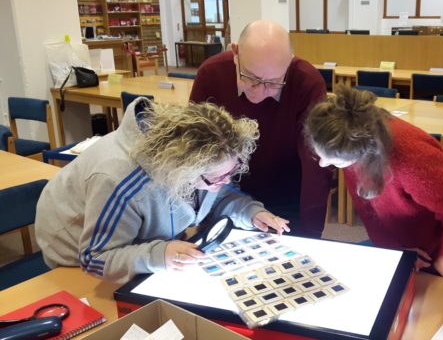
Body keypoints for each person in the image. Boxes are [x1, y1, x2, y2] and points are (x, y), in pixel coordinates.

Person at [35, 98, 289, 284]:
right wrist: (158, 254)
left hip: (131, 237)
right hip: (73, 250)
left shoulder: (202, 157)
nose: (227, 182)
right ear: (182, 172)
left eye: (232, 171)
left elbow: (214, 196)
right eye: (217, 178)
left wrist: (250, 211)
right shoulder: (118, 180)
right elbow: (95, 257)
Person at [304, 85, 443, 285]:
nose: (323, 164)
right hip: (406, 250)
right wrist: (394, 248)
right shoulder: (349, 137)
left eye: (335, 161)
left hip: (441, 252)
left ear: (365, 153)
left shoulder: (413, 159)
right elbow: (368, 209)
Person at [190, 20, 332, 239]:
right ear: (235, 52)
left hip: (286, 193)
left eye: (274, 82)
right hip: (224, 192)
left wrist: (312, 232)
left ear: (289, 63)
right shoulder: (211, 73)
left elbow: (316, 166)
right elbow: (194, 149)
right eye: (250, 77)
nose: (260, 91)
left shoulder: (307, 82)